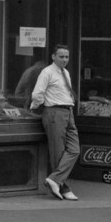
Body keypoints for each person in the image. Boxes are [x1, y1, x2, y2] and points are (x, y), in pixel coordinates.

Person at [30, 44, 80, 201]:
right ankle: (63, 187)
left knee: (74, 149)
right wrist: (35, 106)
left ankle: (54, 179)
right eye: (61, 56)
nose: (65, 60)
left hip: (68, 111)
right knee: (58, 152)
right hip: (55, 112)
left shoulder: (65, 72)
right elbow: (37, 93)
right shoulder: (47, 72)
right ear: (53, 57)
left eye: (66, 57)